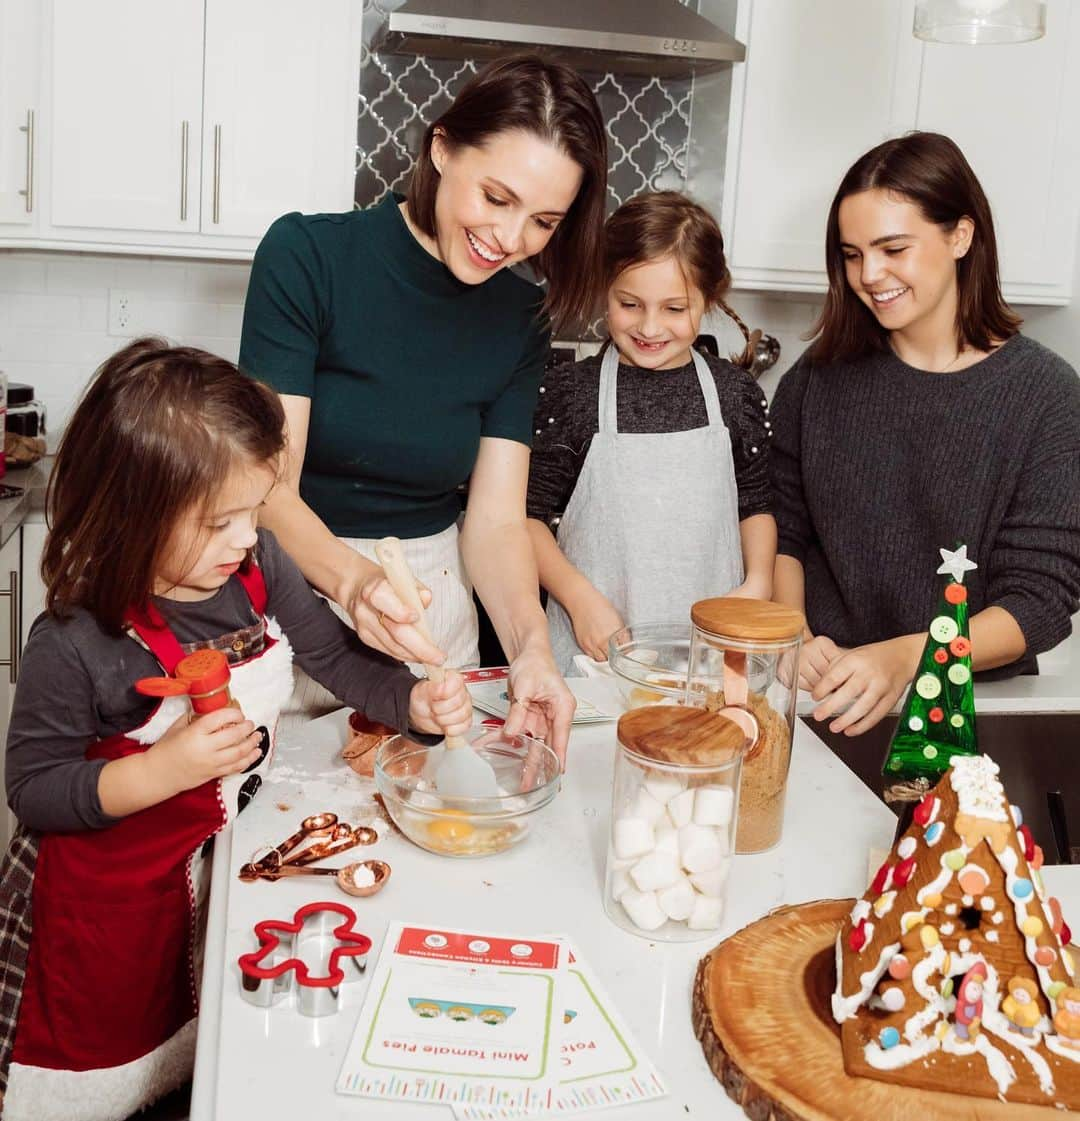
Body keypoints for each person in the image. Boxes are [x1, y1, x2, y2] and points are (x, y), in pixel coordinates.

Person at [0, 340, 471, 1121]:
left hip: (202, 877)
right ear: (133, 510)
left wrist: (411, 702)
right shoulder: (76, 639)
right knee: (105, 1074)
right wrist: (162, 769)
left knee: (197, 1053)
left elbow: (331, 654)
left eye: (254, 510)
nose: (247, 537)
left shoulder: (256, 568)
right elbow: (34, 788)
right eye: (221, 521)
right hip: (97, 916)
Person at [239, 54, 610, 758]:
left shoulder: (521, 317)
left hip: (434, 618)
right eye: (496, 198)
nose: (510, 239)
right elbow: (266, 491)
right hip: (292, 595)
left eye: (543, 222)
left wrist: (533, 649)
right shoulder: (307, 257)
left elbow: (497, 521)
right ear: (442, 147)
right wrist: (355, 585)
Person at [771, 132, 1080, 736]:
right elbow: (783, 530)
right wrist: (793, 635)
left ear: (960, 236)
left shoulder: (1047, 397)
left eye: (892, 249)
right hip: (823, 696)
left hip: (975, 714)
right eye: (852, 254)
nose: (869, 275)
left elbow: (1040, 601)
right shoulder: (817, 378)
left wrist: (903, 657)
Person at [526, 191, 775, 671]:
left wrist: (758, 582)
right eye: (630, 304)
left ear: (709, 300)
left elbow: (756, 504)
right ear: (606, 290)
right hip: (594, 654)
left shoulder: (735, 395)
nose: (649, 326)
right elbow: (525, 519)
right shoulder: (571, 395)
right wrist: (579, 600)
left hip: (710, 659)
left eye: (674, 309)